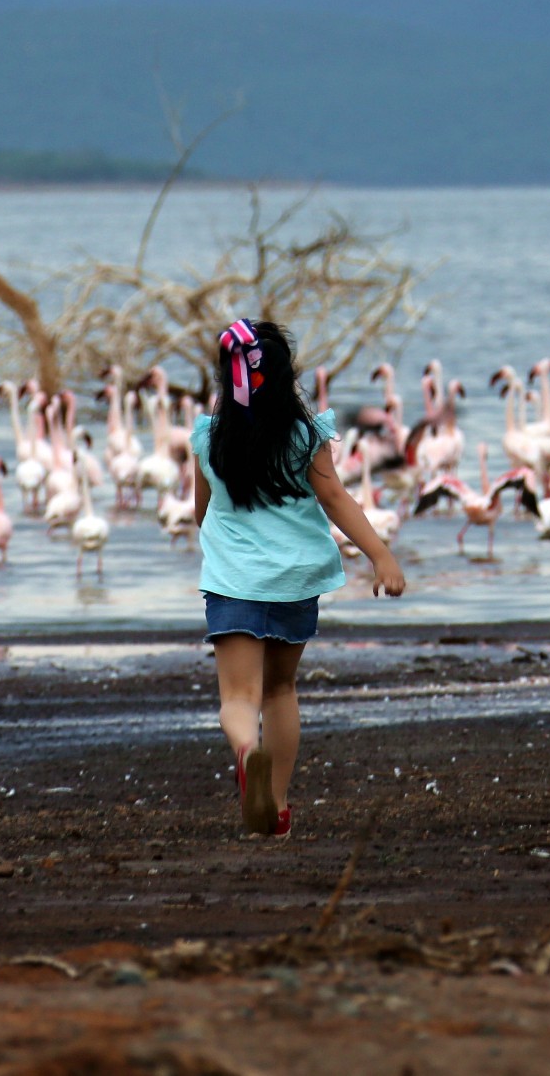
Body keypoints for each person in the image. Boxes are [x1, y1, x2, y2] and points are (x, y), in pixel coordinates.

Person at [190, 319, 405, 836]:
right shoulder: (307, 436)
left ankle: (247, 753)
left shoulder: (208, 439)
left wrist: (229, 541)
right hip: (295, 579)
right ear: (287, 377)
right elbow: (336, 500)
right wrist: (380, 555)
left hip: (234, 580)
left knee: (238, 699)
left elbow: (201, 511)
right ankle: (279, 805)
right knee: (281, 690)